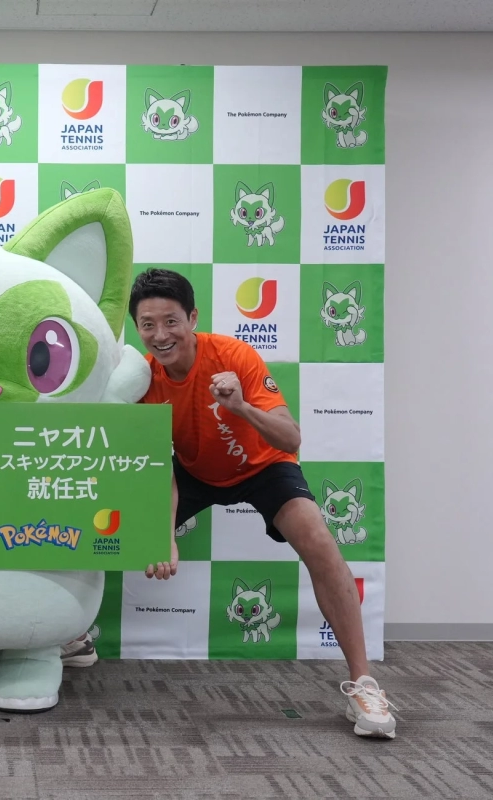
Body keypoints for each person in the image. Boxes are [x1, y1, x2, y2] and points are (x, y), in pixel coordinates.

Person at [119, 268, 396, 739]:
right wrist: (162, 535)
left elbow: (292, 436)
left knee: (321, 545)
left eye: (171, 321)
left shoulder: (233, 355)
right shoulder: (144, 380)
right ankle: (72, 636)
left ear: (192, 318)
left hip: (264, 468)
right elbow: (157, 467)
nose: (161, 335)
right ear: (138, 329)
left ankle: (364, 684)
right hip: (194, 471)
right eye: (148, 324)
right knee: (110, 521)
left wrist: (242, 408)